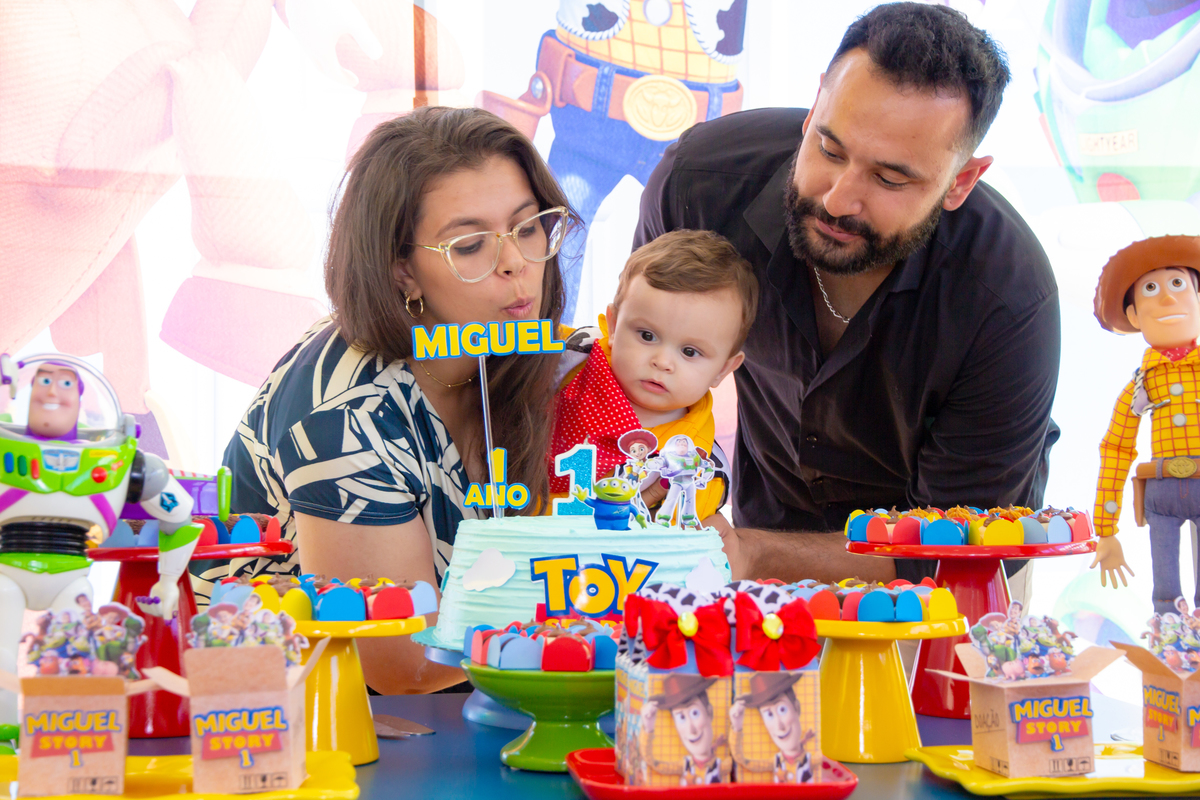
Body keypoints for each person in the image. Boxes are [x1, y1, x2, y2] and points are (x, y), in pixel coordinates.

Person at [634, 3, 1059, 586]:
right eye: (830, 150)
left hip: (943, 582)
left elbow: (961, 544)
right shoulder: (699, 189)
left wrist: (755, 553)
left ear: (960, 181)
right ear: (814, 110)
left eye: (889, 179)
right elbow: (638, 368)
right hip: (757, 543)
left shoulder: (1007, 298)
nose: (838, 198)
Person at [222, 106, 576, 693]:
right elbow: (402, 667)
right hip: (288, 729)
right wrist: (606, 628)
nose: (515, 262)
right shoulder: (346, 421)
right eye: (469, 246)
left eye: (529, 226)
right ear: (402, 274)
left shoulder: (517, 349)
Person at [549, 229, 758, 522]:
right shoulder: (572, 355)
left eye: (689, 352)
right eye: (647, 335)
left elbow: (667, 542)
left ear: (723, 369)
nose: (662, 362)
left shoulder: (699, 465)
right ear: (613, 324)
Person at [1091, 235, 1200, 613]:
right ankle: (1167, 667)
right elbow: (1116, 450)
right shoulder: (1142, 384)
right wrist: (1105, 531)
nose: (1167, 298)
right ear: (1134, 316)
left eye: (1177, 284)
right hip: (1160, 491)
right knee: (1165, 598)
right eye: (1151, 289)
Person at [639, 674, 730, 785]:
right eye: (681, 717)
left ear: (709, 712)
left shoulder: (720, 766)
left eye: (695, 713)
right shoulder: (684, 765)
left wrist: (737, 727)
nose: (691, 730)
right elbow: (653, 762)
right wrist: (648, 728)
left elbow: (742, 761)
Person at [729, 672, 816, 784]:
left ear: (796, 708)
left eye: (782, 710)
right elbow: (743, 761)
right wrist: (736, 727)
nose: (780, 726)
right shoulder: (776, 761)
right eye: (769, 715)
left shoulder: (812, 759)